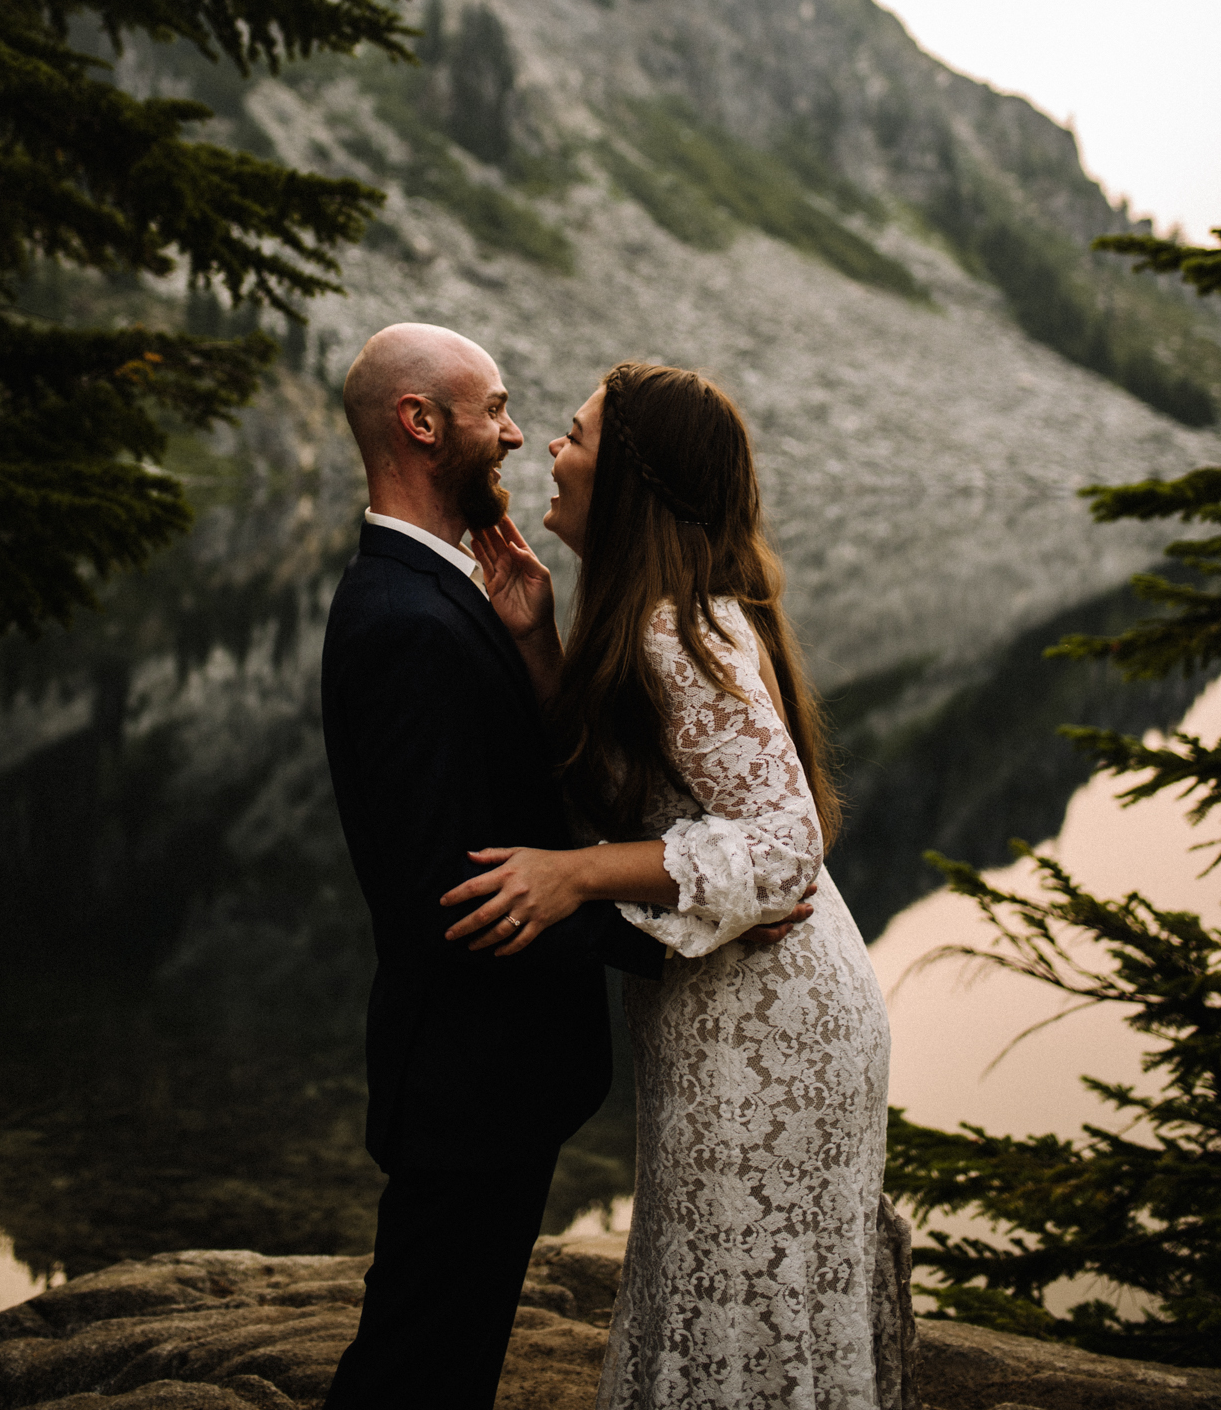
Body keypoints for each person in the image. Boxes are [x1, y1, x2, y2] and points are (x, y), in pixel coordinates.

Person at [319, 326, 816, 1410]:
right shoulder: (404, 617)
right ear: (421, 421)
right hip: (467, 1075)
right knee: (415, 1368)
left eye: (545, 422)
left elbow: (561, 809)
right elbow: (458, 885)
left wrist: (538, 651)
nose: (517, 433)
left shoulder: (459, 595)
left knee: (441, 1359)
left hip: (495, 1072)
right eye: (493, 407)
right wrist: (673, 917)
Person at [443, 361, 915, 1410]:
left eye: (571, 436)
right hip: (739, 994)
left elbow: (785, 841)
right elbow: (644, 790)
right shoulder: (654, 613)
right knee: (721, 1285)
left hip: (770, 1017)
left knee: (739, 1293)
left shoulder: (670, 624)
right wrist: (536, 645)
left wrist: (572, 876)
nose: (547, 452)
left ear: (630, 482)